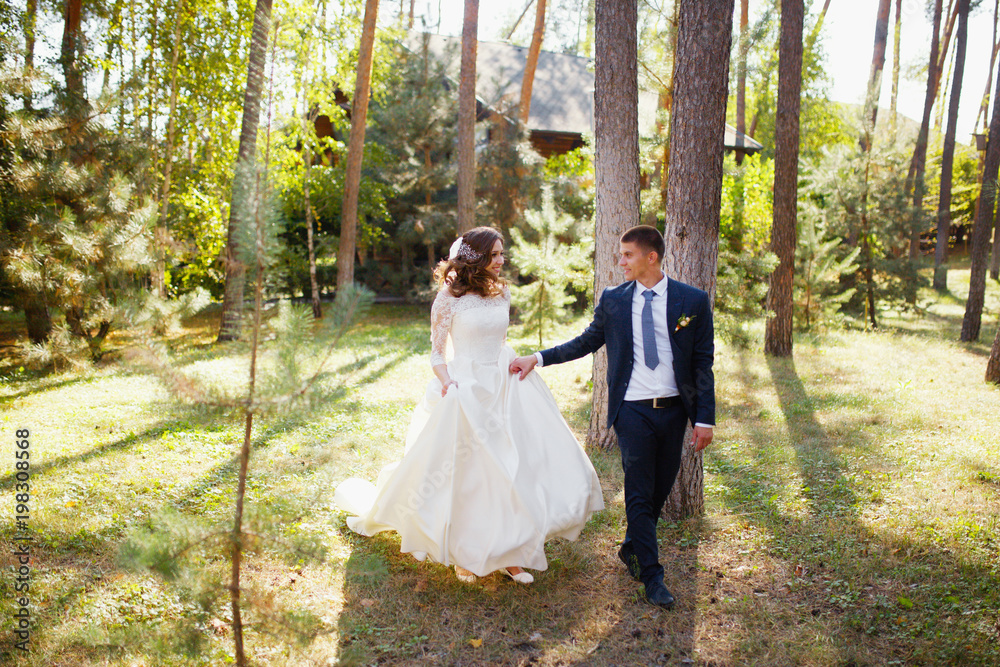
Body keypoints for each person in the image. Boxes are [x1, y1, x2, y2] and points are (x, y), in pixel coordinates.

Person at [334, 226, 604, 585]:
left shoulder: (502, 292)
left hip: (504, 385)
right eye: (494, 255)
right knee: (470, 475)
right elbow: (436, 352)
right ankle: (464, 553)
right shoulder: (448, 298)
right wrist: (448, 383)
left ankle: (513, 553)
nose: (501, 260)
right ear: (474, 258)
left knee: (512, 470)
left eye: (501, 254)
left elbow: (499, 339)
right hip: (465, 387)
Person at [509, 225, 715, 609]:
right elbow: (587, 341)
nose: (620, 262)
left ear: (650, 257)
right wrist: (537, 359)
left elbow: (703, 363)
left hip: (674, 412)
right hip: (632, 410)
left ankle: (631, 548)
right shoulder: (615, 300)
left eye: (627, 255)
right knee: (638, 489)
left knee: (657, 491)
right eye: (620, 255)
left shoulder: (692, 301)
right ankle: (653, 576)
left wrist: (705, 417)